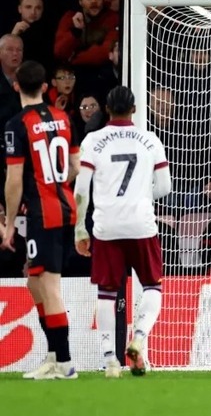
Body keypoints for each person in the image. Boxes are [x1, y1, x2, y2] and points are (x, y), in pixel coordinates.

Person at [73, 86, 172, 378]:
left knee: (106, 291)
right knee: (152, 285)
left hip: (107, 226)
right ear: (135, 109)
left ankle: (109, 360)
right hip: (141, 223)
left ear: (106, 109)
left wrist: (80, 228)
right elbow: (165, 187)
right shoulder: (150, 140)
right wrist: (140, 196)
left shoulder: (93, 140)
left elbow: (81, 189)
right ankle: (138, 338)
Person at [1, 60, 80, 380]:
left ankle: (65, 363)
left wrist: (9, 225)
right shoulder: (63, 118)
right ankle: (53, 356)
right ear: (47, 86)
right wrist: (56, 184)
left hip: (43, 214)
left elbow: (14, 181)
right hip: (66, 209)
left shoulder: (17, 125)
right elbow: (75, 166)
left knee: (48, 285)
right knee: (34, 282)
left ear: (16, 86)